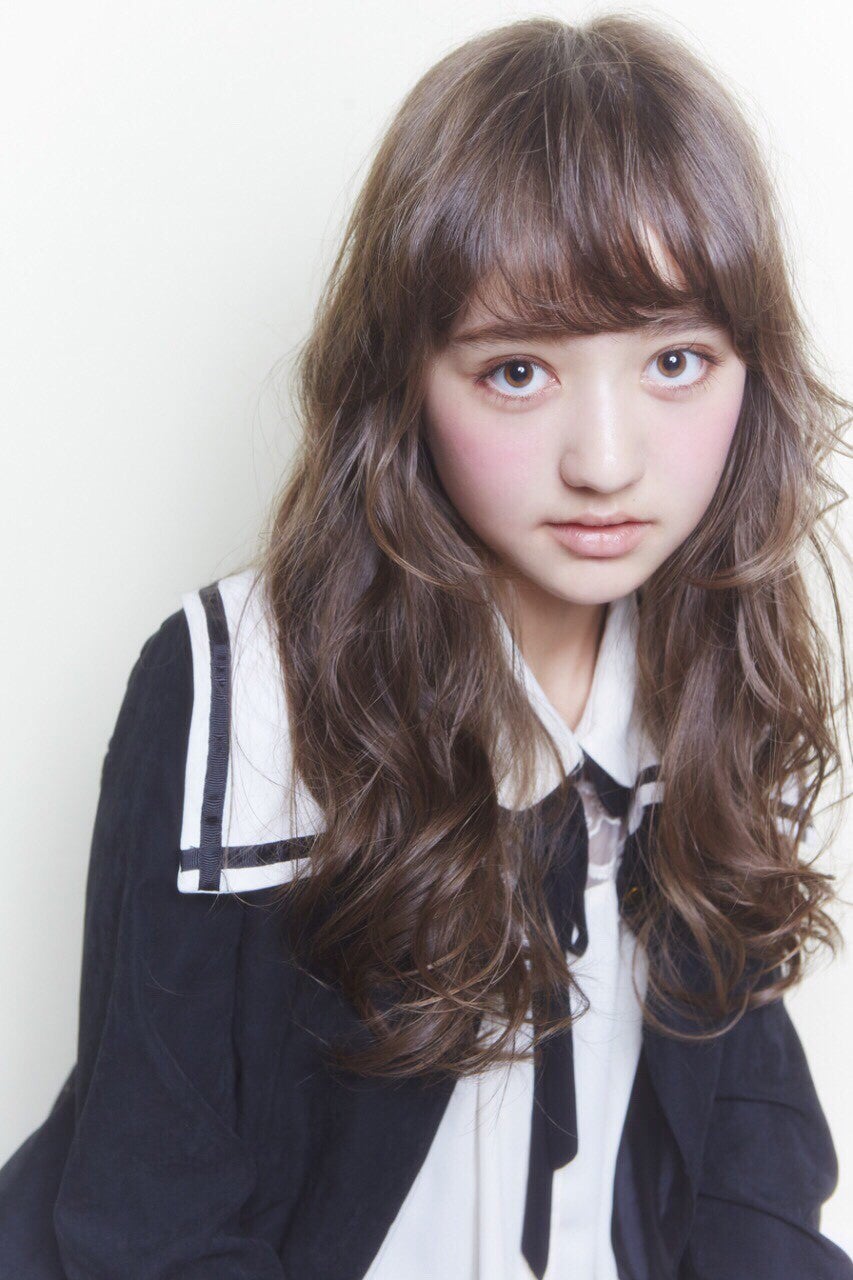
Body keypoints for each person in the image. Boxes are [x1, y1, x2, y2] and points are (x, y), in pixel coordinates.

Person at [1, 12, 851, 1279]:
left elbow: (749, 1152)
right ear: (405, 379)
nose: (604, 460)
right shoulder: (238, 686)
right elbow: (149, 1214)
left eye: (675, 360)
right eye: (517, 372)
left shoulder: (710, 660)